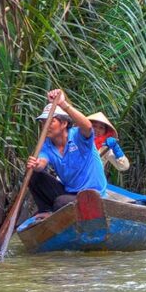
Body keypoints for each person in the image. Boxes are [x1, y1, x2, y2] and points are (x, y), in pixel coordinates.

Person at [28, 89, 107, 220]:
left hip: (93, 196)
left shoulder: (77, 135)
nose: (45, 126)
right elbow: (42, 161)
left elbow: (87, 126)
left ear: (64, 123)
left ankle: (55, 211)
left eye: (50, 122)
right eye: (43, 122)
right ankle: (46, 210)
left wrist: (63, 104)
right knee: (32, 173)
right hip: (70, 193)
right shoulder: (46, 144)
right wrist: (36, 165)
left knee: (61, 203)